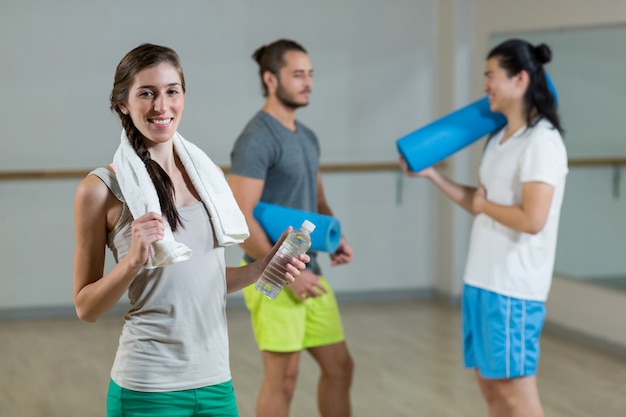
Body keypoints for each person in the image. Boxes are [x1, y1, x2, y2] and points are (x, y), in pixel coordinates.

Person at [72, 43, 309, 417]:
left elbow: (203, 277)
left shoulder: (209, 177)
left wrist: (261, 268)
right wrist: (132, 261)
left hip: (216, 383)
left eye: (172, 91)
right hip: (148, 388)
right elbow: (86, 307)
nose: (161, 106)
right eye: (146, 93)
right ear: (122, 103)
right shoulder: (101, 189)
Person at [400, 39, 568, 417]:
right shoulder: (500, 138)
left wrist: (481, 204)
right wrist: (432, 176)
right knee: (491, 391)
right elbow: (483, 204)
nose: (484, 86)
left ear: (520, 79)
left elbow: (532, 219)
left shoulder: (543, 142)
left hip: (513, 289)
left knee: (517, 396)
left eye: (491, 76)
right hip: (481, 282)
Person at [227, 39, 354, 417]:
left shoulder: (307, 136)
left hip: (310, 269)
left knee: (340, 367)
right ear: (270, 79)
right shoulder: (256, 138)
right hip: (273, 275)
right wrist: (284, 273)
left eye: (310, 74)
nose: (308, 82)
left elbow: (316, 201)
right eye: (298, 74)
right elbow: (240, 215)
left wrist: (335, 237)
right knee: (284, 378)